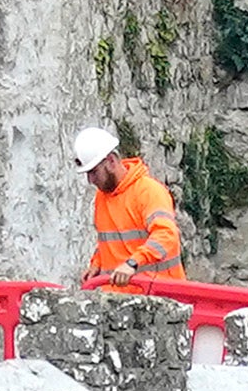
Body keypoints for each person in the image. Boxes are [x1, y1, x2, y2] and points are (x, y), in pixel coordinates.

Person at [72, 120, 182, 284]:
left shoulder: (149, 191)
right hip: (119, 297)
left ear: (110, 161)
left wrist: (133, 263)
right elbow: (110, 243)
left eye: (94, 172)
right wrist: (97, 263)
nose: (90, 180)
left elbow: (166, 235)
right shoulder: (102, 198)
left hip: (157, 296)